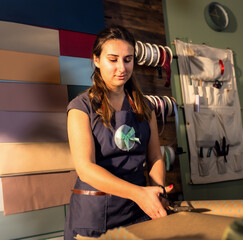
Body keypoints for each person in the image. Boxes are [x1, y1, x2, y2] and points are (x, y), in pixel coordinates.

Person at [64, 25, 172, 239]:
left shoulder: (144, 107)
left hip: (138, 210)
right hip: (95, 213)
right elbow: (85, 168)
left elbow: (155, 157)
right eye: (113, 60)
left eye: (128, 59)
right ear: (96, 60)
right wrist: (139, 194)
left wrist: (157, 192)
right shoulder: (81, 107)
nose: (121, 68)